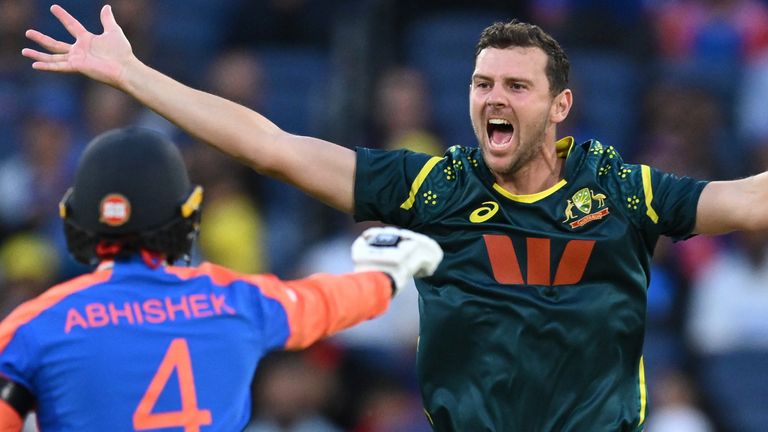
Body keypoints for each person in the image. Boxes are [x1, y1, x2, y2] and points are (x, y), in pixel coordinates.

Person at [21, 5, 768, 430]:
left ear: (559, 105)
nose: (494, 98)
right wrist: (133, 74)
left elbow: (746, 200)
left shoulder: (622, 189)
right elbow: (273, 148)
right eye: (482, 83)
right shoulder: (433, 187)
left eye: (516, 84)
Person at [0, 126, 443, 431]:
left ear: (77, 219)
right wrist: (384, 276)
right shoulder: (236, 302)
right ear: (186, 218)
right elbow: (323, 303)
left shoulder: (35, 326)